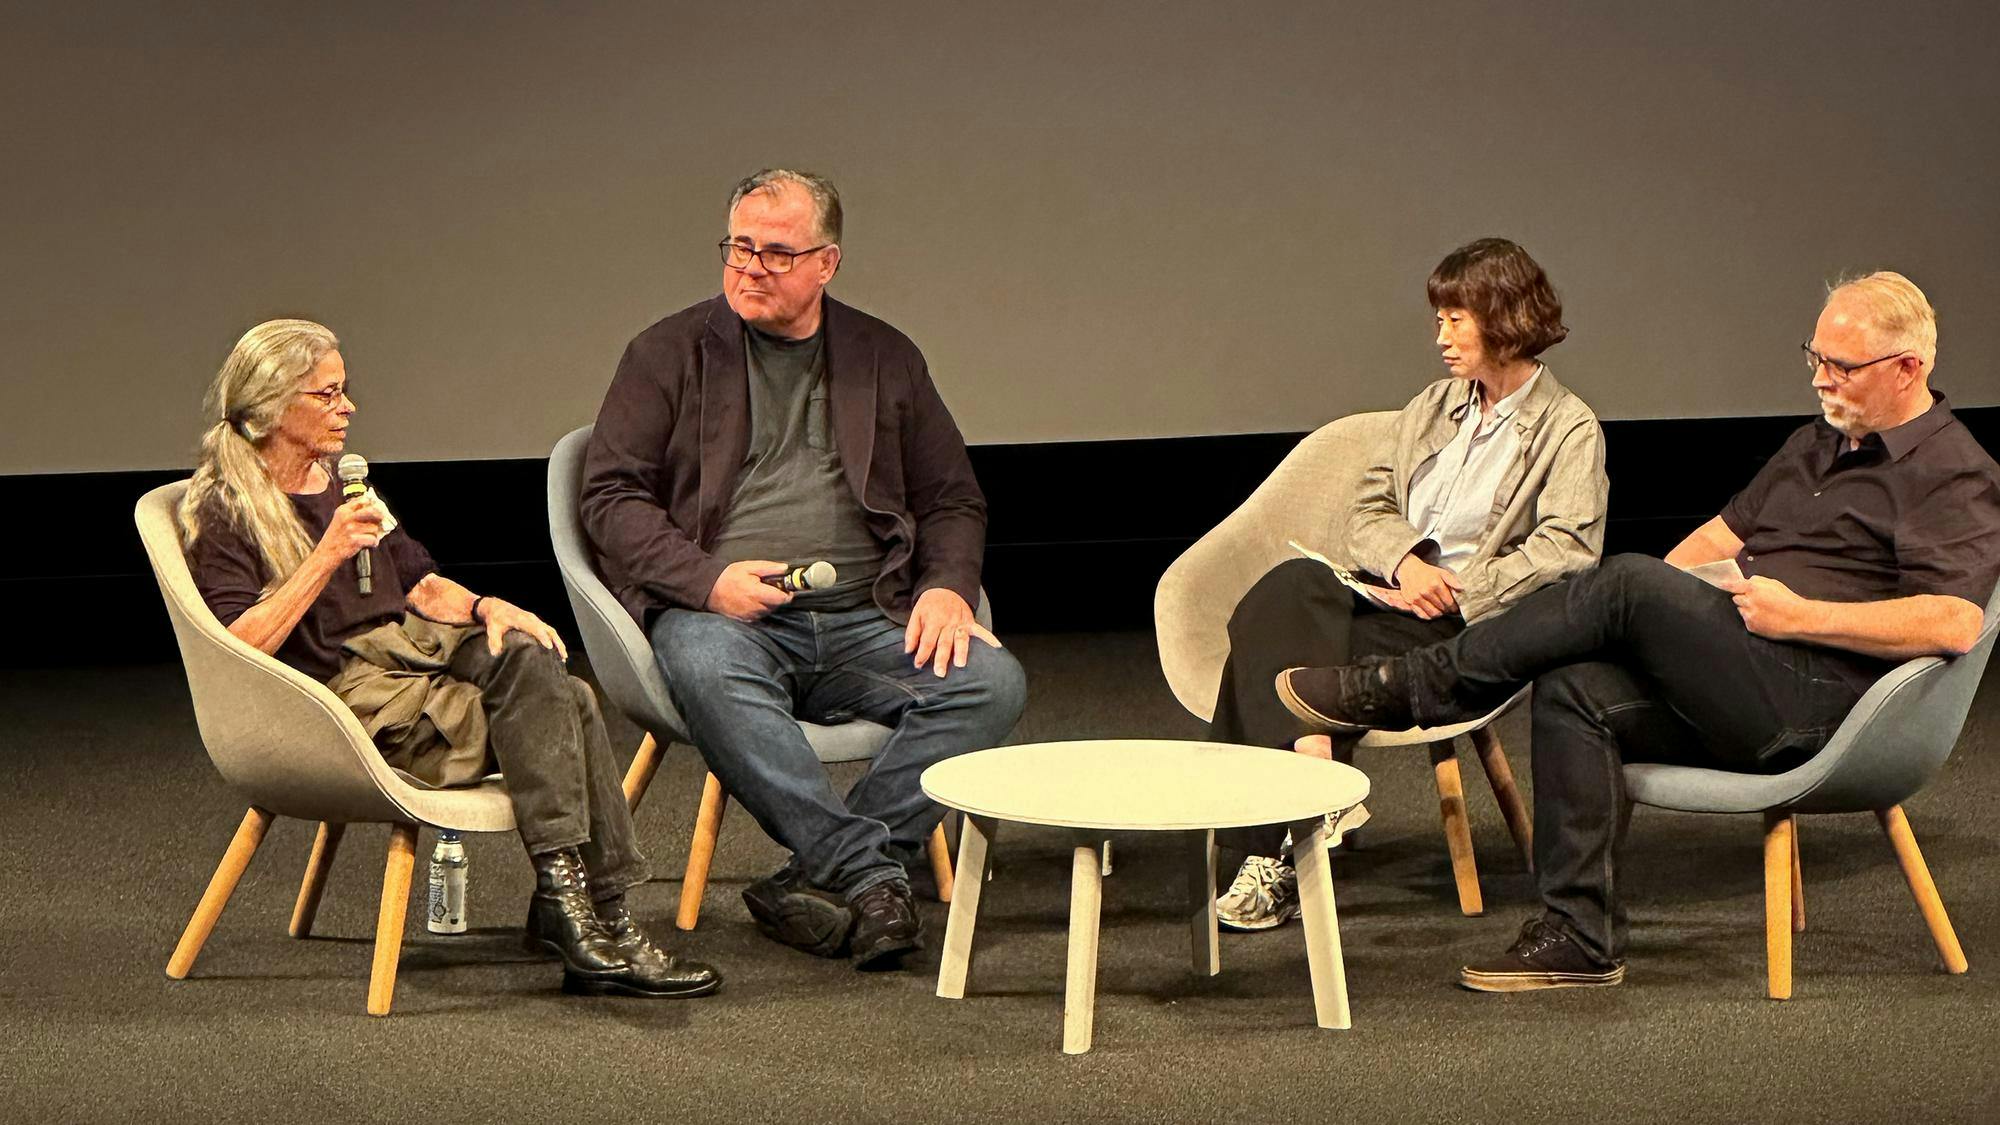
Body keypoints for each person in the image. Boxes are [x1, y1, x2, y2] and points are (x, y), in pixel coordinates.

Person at [1277, 271, 2000, 991]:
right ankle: (1580, 935)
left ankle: (1410, 686)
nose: (1821, 379)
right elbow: (1721, 534)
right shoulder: (1818, 442)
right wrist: (1656, 618)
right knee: (1575, 685)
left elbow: (1955, 620)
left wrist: (1799, 615)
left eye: (1842, 367)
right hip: (1743, 670)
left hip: (1822, 705)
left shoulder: (1951, 471)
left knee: (1624, 580)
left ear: (1910, 368)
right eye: (1814, 358)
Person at [181, 319, 720, 1000]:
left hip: (409, 658)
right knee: (572, 704)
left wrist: (487, 605)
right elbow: (240, 643)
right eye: (328, 395)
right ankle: (600, 911)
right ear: (274, 407)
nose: (347, 408)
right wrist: (326, 556)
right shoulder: (226, 507)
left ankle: (574, 905)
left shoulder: (340, 483)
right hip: (341, 703)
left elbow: (420, 582)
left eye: (345, 391)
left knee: (523, 652)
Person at [580, 169, 1028, 970]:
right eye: (739, 247)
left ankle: (828, 871)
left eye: (776, 253)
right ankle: (869, 874)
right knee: (707, 665)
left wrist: (947, 589)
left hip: (866, 616)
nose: (750, 267)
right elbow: (609, 498)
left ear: (827, 263)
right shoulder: (666, 352)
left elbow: (953, 497)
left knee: (990, 684)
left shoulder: (884, 357)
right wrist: (706, 581)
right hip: (726, 618)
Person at [1206, 238, 1608, 932]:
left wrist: (1457, 589)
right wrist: (1406, 565)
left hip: (1468, 624)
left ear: (1505, 318)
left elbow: (1568, 550)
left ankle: (1274, 845)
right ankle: (1313, 780)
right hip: (1390, 594)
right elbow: (1365, 508)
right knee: (1290, 586)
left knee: (1268, 646)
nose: (1441, 338)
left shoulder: (1567, 428)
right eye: (1440, 320)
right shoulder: (1433, 406)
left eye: (1457, 319)